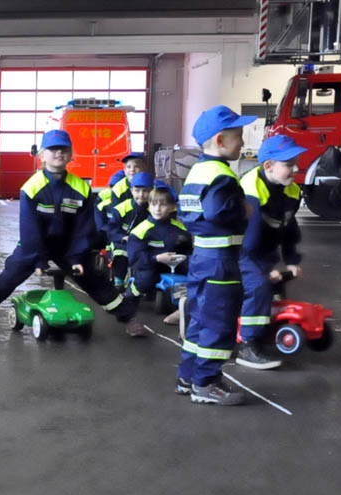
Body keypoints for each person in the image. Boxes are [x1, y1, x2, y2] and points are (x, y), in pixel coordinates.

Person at [0, 129, 143, 337]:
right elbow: (30, 230)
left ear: (70, 155)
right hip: (34, 246)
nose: (58, 153)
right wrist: (38, 260)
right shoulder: (32, 188)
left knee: (94, 281)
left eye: (63, 149)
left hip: (68, 247)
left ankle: (129, 319)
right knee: (8, 279)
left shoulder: (81, 188)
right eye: (52, 149)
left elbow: (83, 228)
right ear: (42, 156)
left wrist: (78, 257)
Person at [176, 105, 254, 405]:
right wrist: (244, 211)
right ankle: (206, 383)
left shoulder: (197, 171)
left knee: (200, 319)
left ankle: (188, 375)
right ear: (220, 140)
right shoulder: (221, 175)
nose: (243, 142)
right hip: (221, 261)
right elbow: (218, 212)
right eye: (238, 136)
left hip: (201, 259)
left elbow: (189, 213)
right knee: (219, 322)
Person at [236, 135, 306, 370]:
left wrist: (291, 258)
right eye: (289, 164)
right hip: (243, 250)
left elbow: (288, 226)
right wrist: (268, 271)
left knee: (275, 291)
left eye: (296, 163)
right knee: (259, 287)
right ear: (268, 166)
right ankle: (247, 344)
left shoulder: (291, 191)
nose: (296, 169)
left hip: (264, 251)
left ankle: (266, 330)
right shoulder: (251, 189)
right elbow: (250, 241)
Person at [126, 181, 191, 324]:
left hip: (174, 263)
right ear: (149, 206)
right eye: (154, 204)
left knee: (196, 271)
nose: (157, 208)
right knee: (146, 278)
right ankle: (129, 303)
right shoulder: (141, 230)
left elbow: (188, 250)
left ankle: (183, 309)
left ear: (172, 207)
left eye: (162, 204)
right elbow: (135, 258)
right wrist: (157, 258)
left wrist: (185, 256)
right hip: (150, 264)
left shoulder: (180, 228)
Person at [106, 171, 154, 290]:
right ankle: (119, 279)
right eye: (137, 191)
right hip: (122, 241)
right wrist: (122, 237)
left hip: (145, 242)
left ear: (152, 191)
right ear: (131, 191)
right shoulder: (122, 208)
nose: (141, 195)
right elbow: (111, 228)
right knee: (121, 253)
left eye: (145, 191)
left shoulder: (154, 209)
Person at [94, 170, 126, 247]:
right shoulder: (103, 204)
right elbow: (100, 226)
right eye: (112, 187)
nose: (114, 190)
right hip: (108, 237)